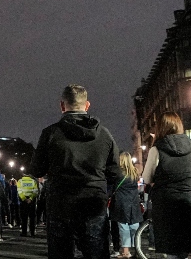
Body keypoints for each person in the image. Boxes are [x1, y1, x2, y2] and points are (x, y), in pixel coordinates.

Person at [33, 84, 121, 259]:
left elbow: (37, 169)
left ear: (62, 105)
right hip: (93, 202)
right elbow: (115, 173)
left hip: (60, 202)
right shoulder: (104, 134)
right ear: (87, 105)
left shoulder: (50, 133)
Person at [141, 112, 191, 259]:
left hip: (167, 203)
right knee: (186, 246)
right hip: (190, 200)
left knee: (172, 248)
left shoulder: (157, 149)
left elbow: (146, 177)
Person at [109, 152, 143, 259]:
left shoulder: (118, 173)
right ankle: (137, 249)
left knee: (123, 227)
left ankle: (125, 252)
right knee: (135, 226)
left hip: (121, 203)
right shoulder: (135, 172)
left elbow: (112, 187)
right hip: (133, 203)